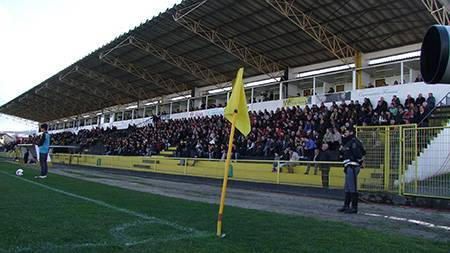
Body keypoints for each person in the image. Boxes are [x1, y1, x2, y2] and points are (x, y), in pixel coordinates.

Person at [338, 128, 365, 214]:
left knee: (352, 186)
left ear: (351, 132)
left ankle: (354, 207)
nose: (344, 133)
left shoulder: (354, 142)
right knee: (348, 186)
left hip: (352, 166)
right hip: (348, 165)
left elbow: (359, 154)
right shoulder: (349, 142)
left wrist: (358, 161)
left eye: (346, 131)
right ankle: (346, 205)